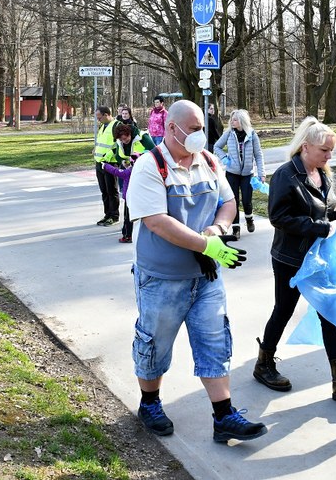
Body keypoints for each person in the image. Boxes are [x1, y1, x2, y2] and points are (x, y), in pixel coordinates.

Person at [126, 99, 267, 443]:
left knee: (215, 341)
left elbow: (228, 203)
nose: (200, 135)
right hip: (162, 278)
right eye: (194, 129)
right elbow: (157, 222)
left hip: (205, 277)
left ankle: (224, 417)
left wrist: (216, 230)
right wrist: (205, 246)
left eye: (202, 128)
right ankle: (150, 403)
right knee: (154, 344)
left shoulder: (209, 161)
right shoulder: (149, 166)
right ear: (171, 128)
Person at [254, 116, 336, 402]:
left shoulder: (324, 173)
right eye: (324, 151)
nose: (329, 156)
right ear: (306, 147)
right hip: (291, 259)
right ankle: (263, 364)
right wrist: (321, 227)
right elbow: (278, 217)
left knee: (330, 313)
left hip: (320, 257)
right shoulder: (286, 175)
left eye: (332, 151)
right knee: (284, 309)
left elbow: (326, 209)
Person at [213, 109, 265, 238]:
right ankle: (236, 228)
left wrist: (261, 173)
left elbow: (258, 155)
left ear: (242, 121)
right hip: (232, 173)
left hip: (248, 174)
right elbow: (217, 147)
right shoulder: (229, 133)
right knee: (233, 201)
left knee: (247, 200)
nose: (232, 121)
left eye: (235, 119)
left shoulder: (252, 135)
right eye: (232, 119)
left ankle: (249, 219)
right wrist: (224, 158)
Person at [92, 106, 120, 226]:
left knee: (111, 190)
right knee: (104, 191)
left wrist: (108, 155)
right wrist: (95, 149)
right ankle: (107, 214)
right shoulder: (103, 126)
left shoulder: (116, 125)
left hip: (110, 163)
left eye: (99, 117)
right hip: (99, 162)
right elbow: (101, 141)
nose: (98, 120)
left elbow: (119, 144)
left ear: (106, 114)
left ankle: (114, 216)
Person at [104, 152, 140, 243]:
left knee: (128, 218)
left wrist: (105, 166)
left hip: (129, 198)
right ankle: (135, 234)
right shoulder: (140, 170)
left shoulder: (129, 172)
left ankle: (128, 236)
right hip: (138, 197)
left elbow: (116, 172)